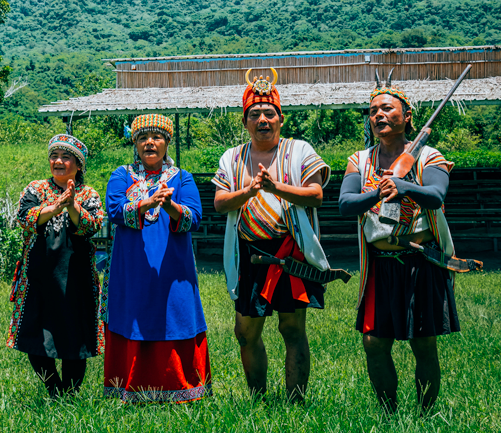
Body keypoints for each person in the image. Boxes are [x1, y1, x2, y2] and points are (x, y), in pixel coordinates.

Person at [338, 74, 460, 413]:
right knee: (374, 343)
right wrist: (379, 190)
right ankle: (388, 412)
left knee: (423, 344)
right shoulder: (359, 161)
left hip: (421, 262)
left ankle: (425, 414)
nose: (378, 115)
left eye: (387, 109)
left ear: (407, 117)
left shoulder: (429, 156)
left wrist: (405, 186)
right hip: (380, 264)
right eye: (373, 110)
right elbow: (346, 203)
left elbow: (436, 196)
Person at [213, 69, 331, 402]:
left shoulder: (299, 150)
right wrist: (248, 192)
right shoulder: (232, 157)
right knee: (245, 332)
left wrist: (274, 187)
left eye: (269, 113)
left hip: (289, 252)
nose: (262, 119)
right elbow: (220, 203)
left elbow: (316, 194)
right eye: (255, 114)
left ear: (281, 118)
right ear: (245, 121)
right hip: (250, 254)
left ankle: (295, 400)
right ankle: (258, 397)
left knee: (292, 329)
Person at [103, 114, 211, 403]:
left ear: (167, 142)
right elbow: (114, 209)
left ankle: (181, 387)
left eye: (157, 137)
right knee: (133, 313)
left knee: (175, 312)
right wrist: (146, 203)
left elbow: (194, 217)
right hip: (132, 264)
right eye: (143, 138)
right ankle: (129, 388)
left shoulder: (182, 178)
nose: (150, 143)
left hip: (172, 265)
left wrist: (170, 206)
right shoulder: (121, 175)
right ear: (135, 144)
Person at [6, 134, 104, 398]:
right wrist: (54, 207)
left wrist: (72, 206)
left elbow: (91, 226)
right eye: (54, 156)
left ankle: (70, 394)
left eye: (66, 157)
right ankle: (53, 389)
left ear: (79, 164)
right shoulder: (36, 189)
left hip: (76, 277)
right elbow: (25, 219)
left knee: (75, 336)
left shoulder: (89, 194)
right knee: (35, 337)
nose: (58, 162)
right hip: (38, 276)